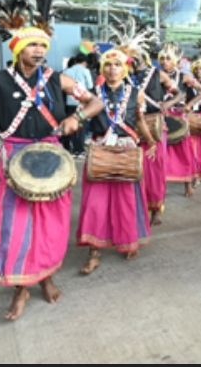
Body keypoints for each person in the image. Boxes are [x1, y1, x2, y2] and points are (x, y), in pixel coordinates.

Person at [0, 0, 104, 321]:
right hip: (14, 159)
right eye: (32, 45)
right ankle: (20, 288)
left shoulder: (59, 79)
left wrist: (76, 118)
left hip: (52, 159)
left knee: (51, 226)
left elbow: (96, 102)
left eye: (43, 45)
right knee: (13, 228)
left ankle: (46, 277)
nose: (39, 50)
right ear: (17, 49)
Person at [77, 48, 158, 275]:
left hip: (126, 149)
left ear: (125, 69)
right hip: (100, 149)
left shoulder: (136, 94)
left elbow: (139, 120)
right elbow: (81, 119)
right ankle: (93, 253)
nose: (113, 69)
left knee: (126, 200)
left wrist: (151, 141)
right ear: (102, 69)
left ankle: (129, 241)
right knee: (95, 203)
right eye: (108, 65)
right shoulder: (91, 93)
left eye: (118, 65)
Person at [124, 38, 180, 227]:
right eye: (129, 55)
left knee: (154, 170)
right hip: (131, 127)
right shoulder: (123, 75)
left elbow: (179, 93)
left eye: (135, 55)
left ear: (142, 56)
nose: (132, 58)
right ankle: (137, 207)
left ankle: (156, 208)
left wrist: (168, 104)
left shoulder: (158, 74)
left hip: (154, 125)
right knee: (135, 169)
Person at [158, 44, 201, 198]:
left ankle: (187, 183)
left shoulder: (183, 77)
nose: (164, 61)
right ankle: (160, 185)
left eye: (168, 58)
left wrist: (189, 105)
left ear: (175, 60)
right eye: (162, 58)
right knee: (162, 152)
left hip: (178, 116)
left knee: (184, 151)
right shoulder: (155, 76)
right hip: (161, 116)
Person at [62, 54, 94, 158]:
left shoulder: (66, 71)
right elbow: (90, 85)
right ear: (85, 62)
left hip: (69, 102)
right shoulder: (85, 71)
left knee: (69, 124)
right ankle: (79, 149)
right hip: (81, 102)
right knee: (80, 126)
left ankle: (68, 148)